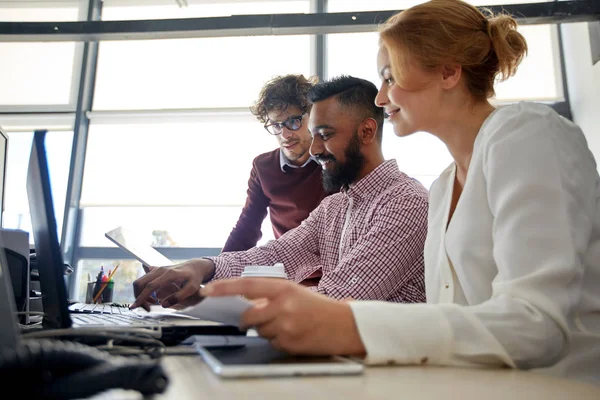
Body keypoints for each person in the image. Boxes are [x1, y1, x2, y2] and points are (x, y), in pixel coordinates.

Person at [197, 0, 600, 386]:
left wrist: (345, 322)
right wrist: (207, 270)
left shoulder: (526, 134)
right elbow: (456, 318)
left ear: (447, 72)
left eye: (390, 76)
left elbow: (536, 325)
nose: (379, 97)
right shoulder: (444, 186)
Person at [131, 75, 429, 309]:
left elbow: (337, 299)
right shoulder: (335, 208)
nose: (313, 149)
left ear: (366, 132)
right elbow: (277, 256)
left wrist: (210, 297)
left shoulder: (406, 203)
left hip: (393, 371)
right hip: (341, 358)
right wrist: (202, 268)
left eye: (324, 135)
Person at [222, 74, 330, 253]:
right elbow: (247, 227)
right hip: (289, 273)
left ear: (313, 117)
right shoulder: (263, 167)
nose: (285, 135)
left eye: (293, 122)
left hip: (333, 272)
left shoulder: (333, 162)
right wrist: (216, 271)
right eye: (277, 125)